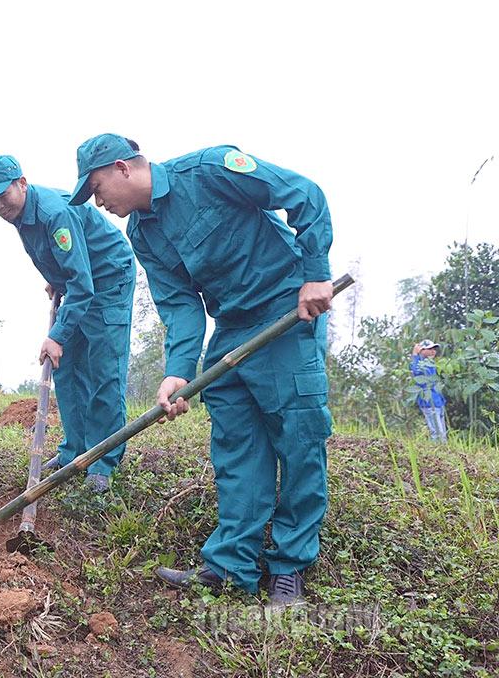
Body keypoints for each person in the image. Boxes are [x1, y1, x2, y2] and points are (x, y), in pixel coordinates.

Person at [69, 133, 334, 606]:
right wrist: (177, 371)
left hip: (285, 311)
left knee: (298, 437)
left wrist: (315, 273)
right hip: (231, 328)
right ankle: (232, 565)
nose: (98, 202)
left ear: (124, 168)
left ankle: (290, 567)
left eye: (96, 187)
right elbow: (180, 305)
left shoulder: (211, 170)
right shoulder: (143, 235)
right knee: (235, 446)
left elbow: (304, 195)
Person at [0, 155, 135, 492]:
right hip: (78, 282)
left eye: (2, 195)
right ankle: (74, 452)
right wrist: (56, 276)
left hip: (107, 278)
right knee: (66, 366)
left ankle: (102, 461)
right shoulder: (20, 215)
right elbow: (63, 262)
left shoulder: (52, 212)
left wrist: (57, 334)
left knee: (103, 369)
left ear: (22, 183)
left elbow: (84, 283)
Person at [410, 339, 448, 442]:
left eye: (434, 349)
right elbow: (415, 371)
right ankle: (437, 453)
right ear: (421, 350)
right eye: (430, 349)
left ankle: (445, 452)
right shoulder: (418, 363)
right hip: (429, 403)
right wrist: (415, 354)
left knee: (443, 432)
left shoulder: (431, 364)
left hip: (438, 402)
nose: (433, 351)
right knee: (436, 432)